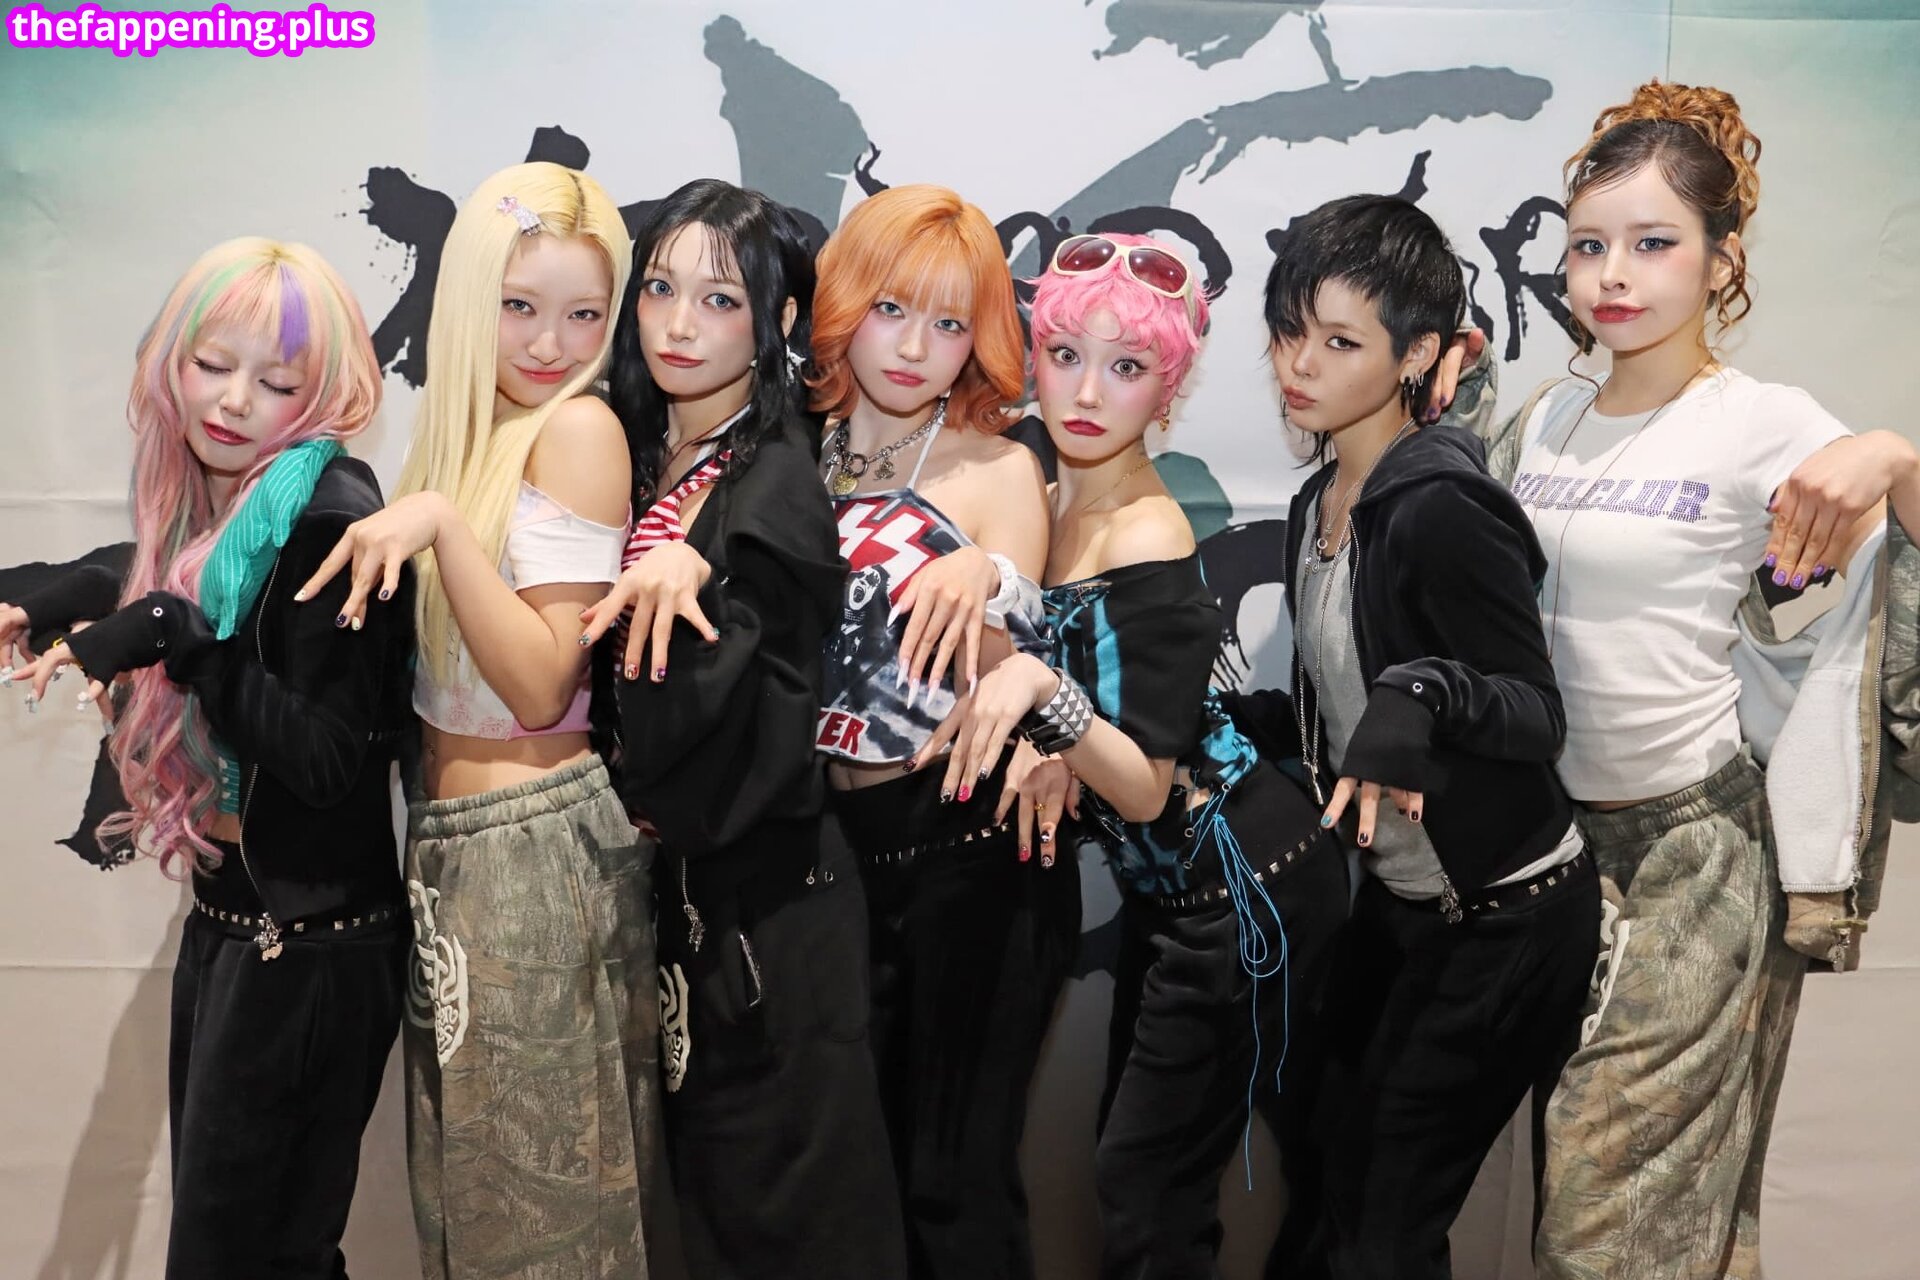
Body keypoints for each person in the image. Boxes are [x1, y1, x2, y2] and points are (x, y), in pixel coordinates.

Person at [1440, 81, 1920, 1279]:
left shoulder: (1762, 420)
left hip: (1695, 853)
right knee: (1653, 1205)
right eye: (1589, 245)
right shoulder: (1546, 418)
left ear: (1722, 260)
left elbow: (1892, 564)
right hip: (1551, 853)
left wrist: (1895, 457)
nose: (1613, 274)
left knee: (1606, 1221)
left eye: (1654, 243)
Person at [920, 233, 1347, 1279]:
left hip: (1246, 884)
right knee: (1140, 1176)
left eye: (1127, 366)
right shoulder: (1051, 495)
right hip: (1180, 893)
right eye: (1066, 354)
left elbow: (1147, 786)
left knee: (1147, 1184)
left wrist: (1040, 694)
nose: (1085, 392)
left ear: (1169, 388)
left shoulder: (1146, 529)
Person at [8, 237, 410, 1279]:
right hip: (240, 925)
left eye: (276, 382)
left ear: (323, 393)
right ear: (171, 361)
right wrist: (53, 597)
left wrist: (182, 643)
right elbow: (159, 573)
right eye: (212, 365)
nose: (233, 402)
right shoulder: (232, 504)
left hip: (309, 947)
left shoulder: (329, 518)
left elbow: (325, 757)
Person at [299, 162, 656, 1279]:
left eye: (585, 314)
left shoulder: (577, 430)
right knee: (472, 1206)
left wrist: (446, 527)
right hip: (455, 849)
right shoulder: (469, 437)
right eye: (520, 306)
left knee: (545, 1222)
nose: (552, 341)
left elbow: (545, 683)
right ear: (468, 302)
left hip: (534, 843)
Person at [1234, 194, 1596, 1280]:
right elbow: (1339, 707)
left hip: (1506, 917)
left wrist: (1426, 688)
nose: (1301, 364)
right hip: (1401, 905)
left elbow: (1534, 711)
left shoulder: (1441, 501)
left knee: (1379, 1229)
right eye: (1289, 331)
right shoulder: (1316, 502)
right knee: (1329, 1197)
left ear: (1419, 353)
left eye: (1341, 341)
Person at [577, 178, 910, 1280]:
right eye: (660, 289)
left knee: (802, 1224)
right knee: (715, 1217)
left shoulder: (773, 479)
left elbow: (762, 718)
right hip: (690, 901)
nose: (679, 324)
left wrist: (701, 578)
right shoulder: (632, 449)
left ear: (777, 319)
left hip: (775, 902)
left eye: (719, 300)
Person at [807, 183, 1076, 1280]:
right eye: (892, 310)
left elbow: (1021, 639)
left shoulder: (998, 463)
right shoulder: (797, 455)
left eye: (951, 322)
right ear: (845, 305)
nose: (917, 347)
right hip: (826, 858)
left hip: (968, 847)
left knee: (954, 1187)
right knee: (852, 1187)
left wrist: (986, 571)